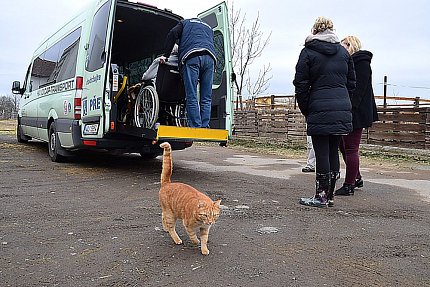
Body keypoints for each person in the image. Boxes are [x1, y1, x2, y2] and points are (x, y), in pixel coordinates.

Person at [293, 16, 356, 207]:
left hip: (318, 107)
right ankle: (329, 196)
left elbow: (301, 84)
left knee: (321, 152)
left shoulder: (308, 52)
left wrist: (307, 108)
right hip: (340, 108)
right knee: (332, 151)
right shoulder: (343, 53)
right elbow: (351, 83)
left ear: (314, 30)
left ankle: (320, 196)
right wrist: (343, 102)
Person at [335, 36, 379, 196]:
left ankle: (349, 185)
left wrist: (348, 109)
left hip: (356, 112)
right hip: (350, 110)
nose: (341, 48)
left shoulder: (361, 63)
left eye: (344, 45)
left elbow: (357, 91)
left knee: (351, 148)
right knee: (342, 145)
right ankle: (357, 177)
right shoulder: (351, 62)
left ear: (351, 45)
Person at [160, 18, 217, 128]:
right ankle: (205, 125)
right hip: (210, 58)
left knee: (192, 95)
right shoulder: (208, 27)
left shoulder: (185, 23)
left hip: (192, 57)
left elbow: (173, 33)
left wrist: (166, 55)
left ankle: (196, 126)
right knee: (206, 97)